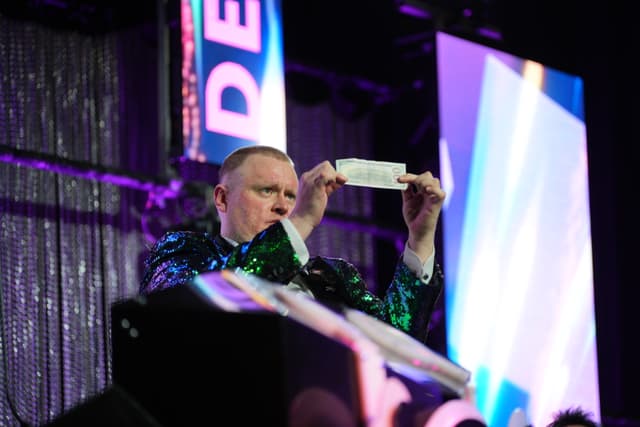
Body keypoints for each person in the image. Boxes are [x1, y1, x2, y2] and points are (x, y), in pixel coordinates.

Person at [140, 145, 445, 343]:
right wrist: (301, 220)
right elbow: (204, 313)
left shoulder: (333, 277)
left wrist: (420, 237)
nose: (283, 206)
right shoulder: (182, 251)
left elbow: (396, 344)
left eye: (290, 196)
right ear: (221, 198)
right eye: (266, 191)